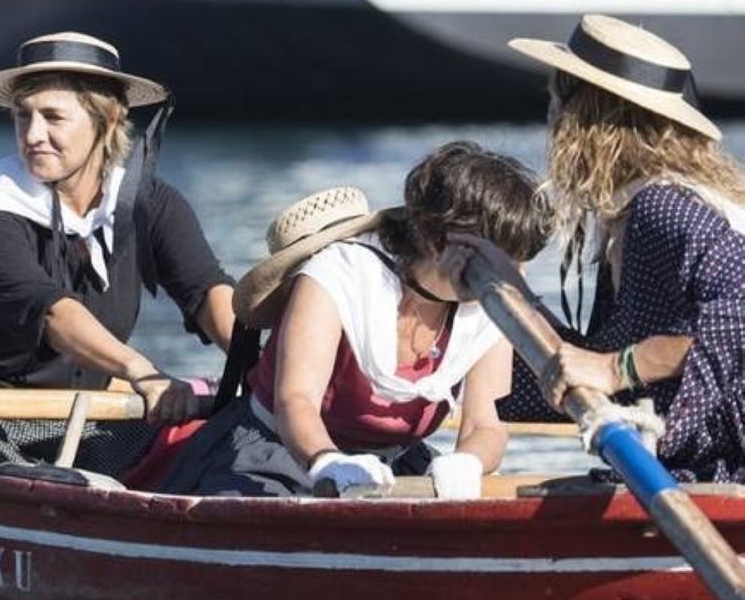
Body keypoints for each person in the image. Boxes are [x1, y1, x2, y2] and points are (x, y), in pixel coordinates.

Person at [0, 32, 235, 476]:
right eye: (22, 116)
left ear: (106, 122)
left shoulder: (151, 202)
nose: (33, 135)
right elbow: (51, 313)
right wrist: (139, 370)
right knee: (3, 471)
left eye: (53, 117)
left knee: (223, 442)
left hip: (64, 416)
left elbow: (207, 291)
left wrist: (262, 368)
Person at [161, 142, 551, 498]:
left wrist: (469, 462)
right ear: (439, 240)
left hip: (393, 466)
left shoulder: (491, 302)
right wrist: (327, 461)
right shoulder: (338, 274)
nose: (512, 272)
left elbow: (486, 425)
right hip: (279, 453)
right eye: (500, 256)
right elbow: (295, 400)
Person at [449, 15, 745, 483]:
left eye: (555, 104)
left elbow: (737, 322)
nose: (549, 122)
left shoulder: (663, 208)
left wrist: (616, 367)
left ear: (586, 118)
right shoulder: (636, 214)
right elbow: (587, 370)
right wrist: (511, 297)